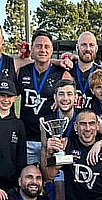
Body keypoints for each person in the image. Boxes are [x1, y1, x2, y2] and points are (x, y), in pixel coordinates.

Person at [17, 29, 72, 164]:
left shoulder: (62, 73)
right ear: (32, 49)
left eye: (47, 46)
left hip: (52, 139)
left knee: (52, 180)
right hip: (27, 138)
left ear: (52, 49)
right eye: (39, 46)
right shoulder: (22, 71)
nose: (43, 50)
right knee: (29, 179)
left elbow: (71, 101)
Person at [70, 31, 101, 109]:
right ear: (77, 48)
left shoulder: (101, 73)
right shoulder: (67, 69)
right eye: (84, 45)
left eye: (91, 45)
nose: (88, 49)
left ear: (96, 49)